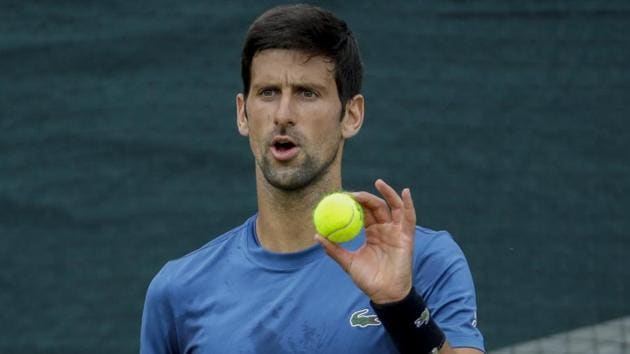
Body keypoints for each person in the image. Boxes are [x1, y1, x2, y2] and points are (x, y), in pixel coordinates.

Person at [140, 4, 485, 354]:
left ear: (351, 115)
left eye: (307, 93)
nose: (283, 115)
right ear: (243, 114)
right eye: (268, 92)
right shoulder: (178, 291)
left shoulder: (424, 261)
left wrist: (399, 304)